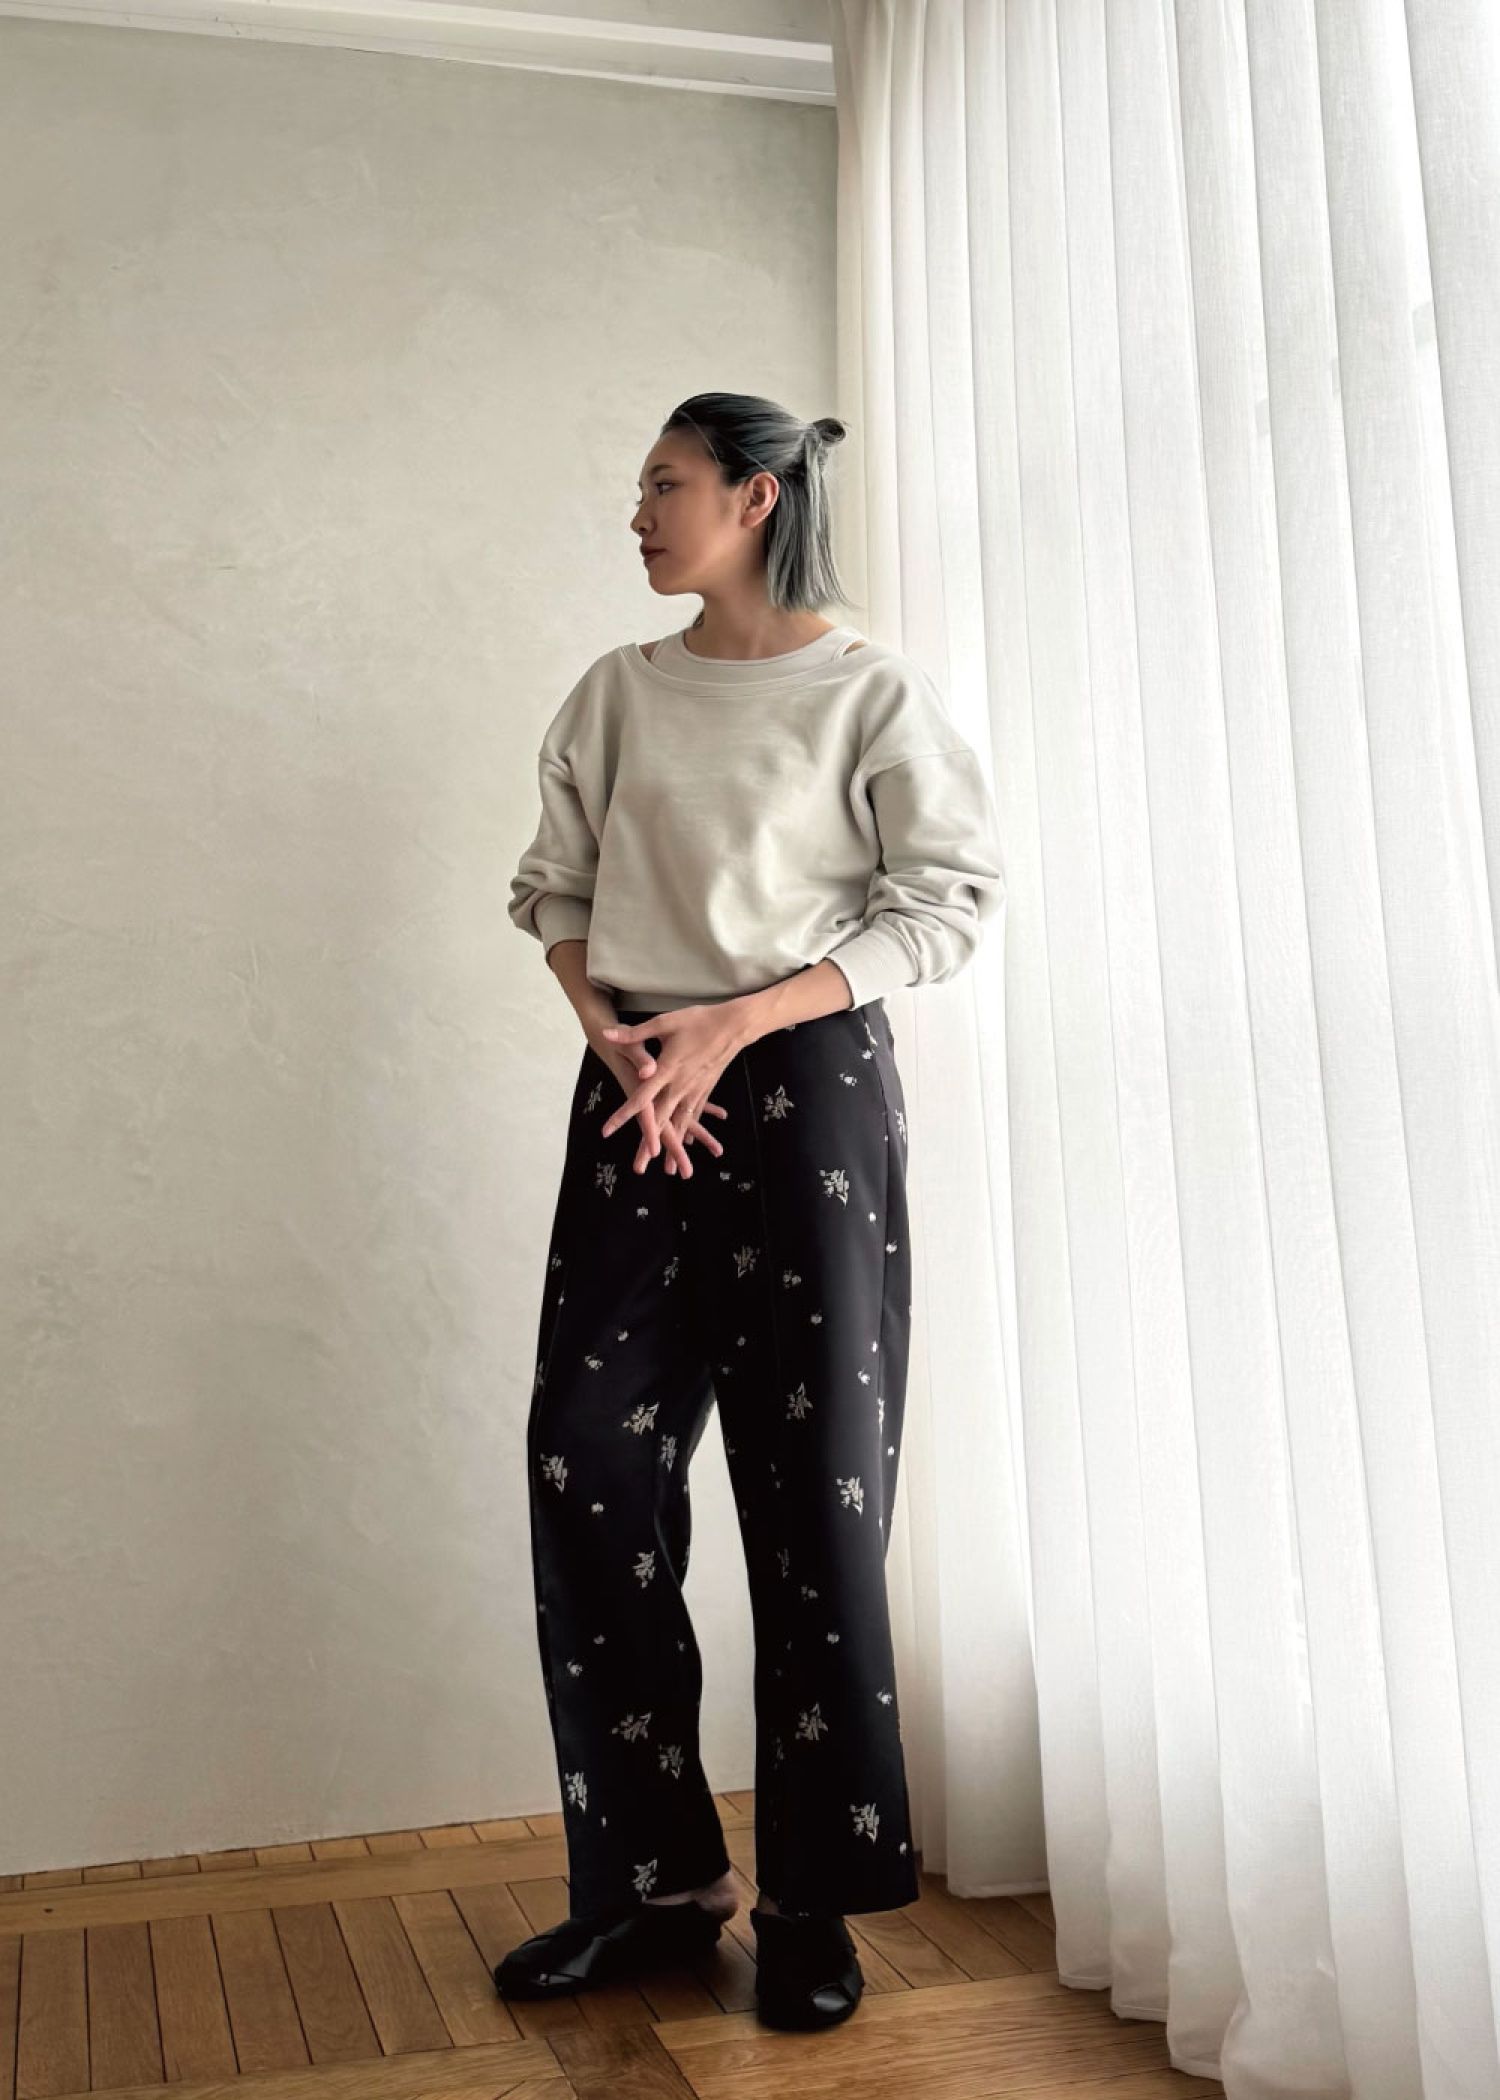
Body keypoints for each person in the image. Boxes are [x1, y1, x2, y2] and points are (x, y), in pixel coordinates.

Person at [496, 392, 1004, 2030]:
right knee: (587, 1463)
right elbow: (557, 887)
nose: (639, 513)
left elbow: (944, 907)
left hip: (803, 1097)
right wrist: (615, 1032)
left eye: (666, 484)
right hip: (637, 1086)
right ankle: (655, 1886)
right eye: (641, 487)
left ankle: (809, 1903)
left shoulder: (869, 692)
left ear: (757, 498)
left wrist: (736, 1021)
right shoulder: (617, 692)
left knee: (814, 1499)